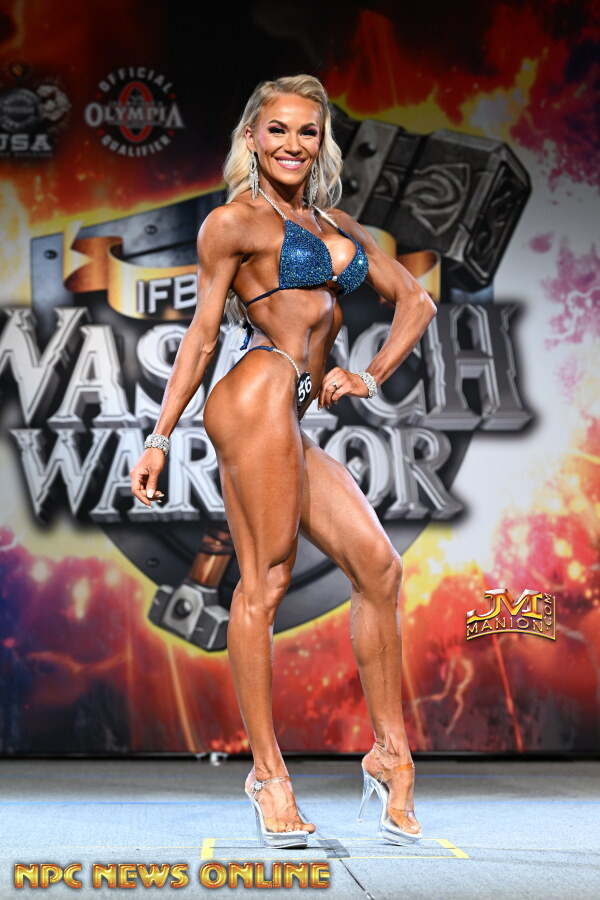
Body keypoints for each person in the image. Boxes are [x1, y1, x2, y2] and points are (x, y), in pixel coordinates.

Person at [130, 74, 437, 849]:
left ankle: (390, 754)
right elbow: (203, 336)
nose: (292, 143)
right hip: (254, 391)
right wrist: (160, 437)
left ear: (321, 141)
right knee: (263, 583)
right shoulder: (233, 223)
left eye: (307, 131)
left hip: (290, 417)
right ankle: (268, 776)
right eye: (277, 129)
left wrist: (369, 374)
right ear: (252, 138)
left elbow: (418, 302)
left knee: (380, 570)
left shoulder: (337, 224)